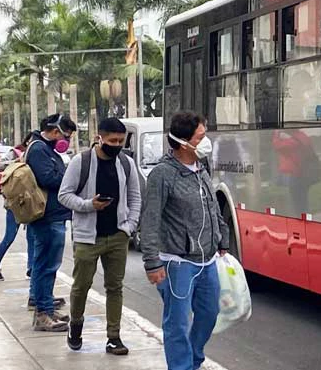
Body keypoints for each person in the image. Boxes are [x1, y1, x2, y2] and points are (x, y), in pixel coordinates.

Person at [140, 111, 230, 370]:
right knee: (177, 323)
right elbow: (150, 219)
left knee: (208, 315)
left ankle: (193, 359)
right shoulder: (163, 175)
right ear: (183, 142)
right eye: (201, 137)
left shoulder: (201, 168)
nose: (206, 141)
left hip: (208, 260)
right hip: (177, 263)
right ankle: (181, 366)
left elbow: (211, 206)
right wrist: (152, 263)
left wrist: (222, 237)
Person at [58, 118, 141, 355]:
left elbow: (135, 197)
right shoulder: (81, 162)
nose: (116, 145)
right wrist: (89, 205)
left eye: (121, 141)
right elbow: (64, 195)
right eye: (112, 140)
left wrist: (130, 226)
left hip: (118, 235)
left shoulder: (126, 163)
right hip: (87, 237)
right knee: (81, 285)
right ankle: (76, 325)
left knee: (114, 287)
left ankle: (114, 337)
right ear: (100, 137)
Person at [25, 114, 76, 332]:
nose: (66, 141)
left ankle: (45, 307)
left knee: (46, 265)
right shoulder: (38, 149)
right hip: (47, 216)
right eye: (66, 136)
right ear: (55, 132)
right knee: (46, 265)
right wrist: (71, 178)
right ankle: (43, 314)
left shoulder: (44, 149)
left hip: (53, 215)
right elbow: (48, 179)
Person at [0, 133, 35, 281]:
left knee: (32, 236)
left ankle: (31, 268)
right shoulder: (15, 152)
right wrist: (17, 161)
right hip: (14, 202)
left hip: (30, 202)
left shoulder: (39, 155)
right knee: (9, 236)